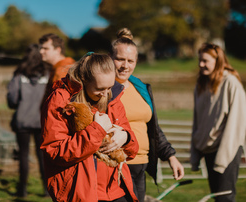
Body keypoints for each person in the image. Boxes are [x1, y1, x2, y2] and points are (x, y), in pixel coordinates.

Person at [40, 52, 139, 201]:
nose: (105, 94)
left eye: (109, 87)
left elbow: (132, 150)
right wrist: (97, 130)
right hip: (80, 191)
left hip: (116, 189)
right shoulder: (60, 99)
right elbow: (55, 151)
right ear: (84, 80)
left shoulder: (113, 98)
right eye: (100, 89)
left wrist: (126, 137)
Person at [110, 28, 184, 202]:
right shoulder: (103, 89)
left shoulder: (141, 88)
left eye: (130, 60)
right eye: (120, 59)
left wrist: (170, 156)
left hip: (140, 166)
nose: (125, 65)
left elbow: (152, 128)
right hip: (116, 167)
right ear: (109, 58)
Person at [190, 43, 246, 202]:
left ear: (218, 61)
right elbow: (197, 120)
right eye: (200, 60)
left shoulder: (231, 83)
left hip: (227, 150)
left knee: (225, 198)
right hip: (208, 150)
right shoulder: (201, 85)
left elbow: (237, 123)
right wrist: (196, 152)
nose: (201, 65)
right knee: (216, 197)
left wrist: (223, 157)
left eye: (205, 61)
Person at [7, 44, 52, 197]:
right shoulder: (48, 74)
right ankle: (47, 190)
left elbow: (12, 100)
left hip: (23, 121)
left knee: (24, 155)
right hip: (42, 121)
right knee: (42, 156)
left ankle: (22, 190)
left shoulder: (19, 75)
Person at [39, 33, 75, 98]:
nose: (41, 51)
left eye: (45, 48)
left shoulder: (62, 71)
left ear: (58, 50)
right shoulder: (61, 67)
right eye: (41, 48)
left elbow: (58, 102)